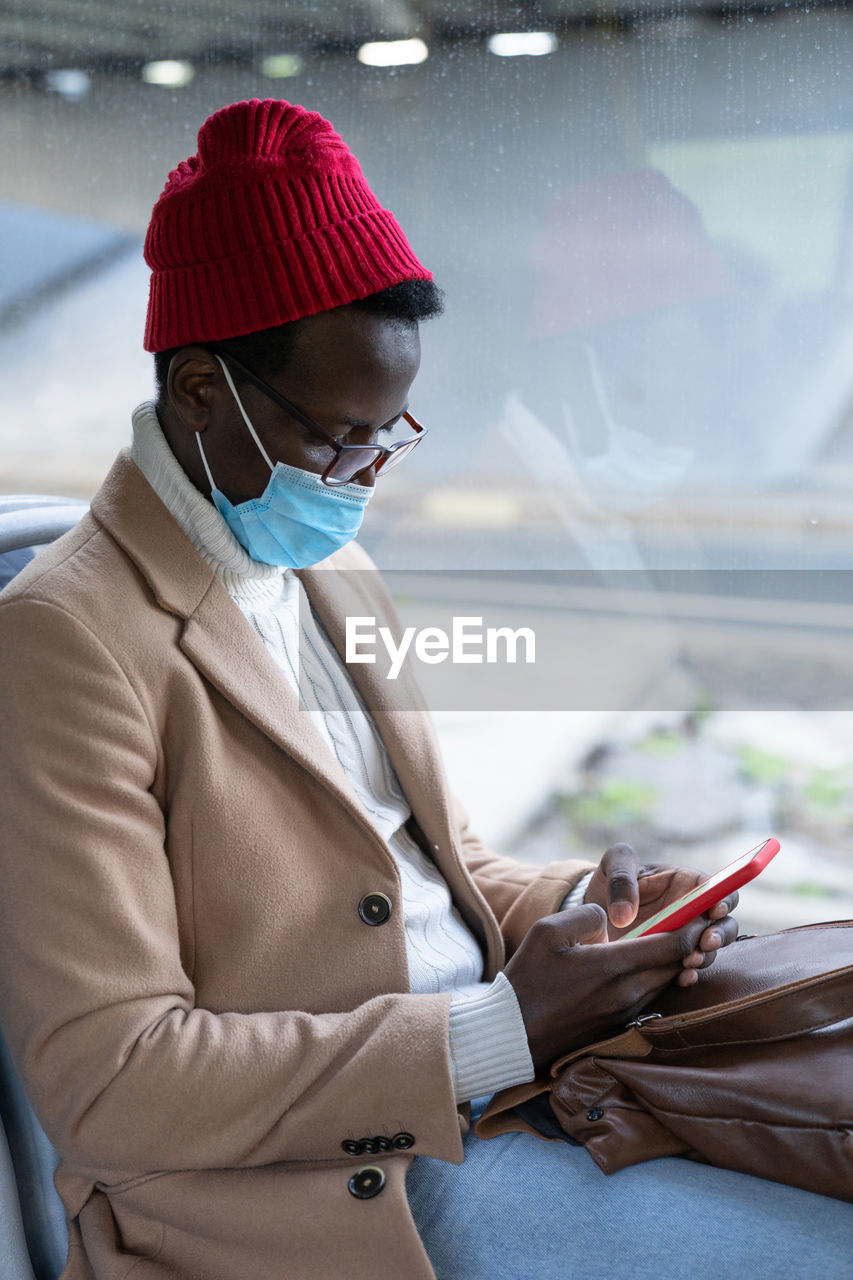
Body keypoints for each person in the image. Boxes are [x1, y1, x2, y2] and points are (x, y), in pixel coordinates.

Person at [0, 98, 847, 1280]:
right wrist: (497, 1027)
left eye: (391, 433)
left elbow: (418, 874)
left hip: (507, 1084)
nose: (365, 478)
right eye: (339, 440)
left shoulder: (329, 569)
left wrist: (597, 913)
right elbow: (115, 1079)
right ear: (201, 389)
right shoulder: (62, 639)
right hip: (326, 1188)